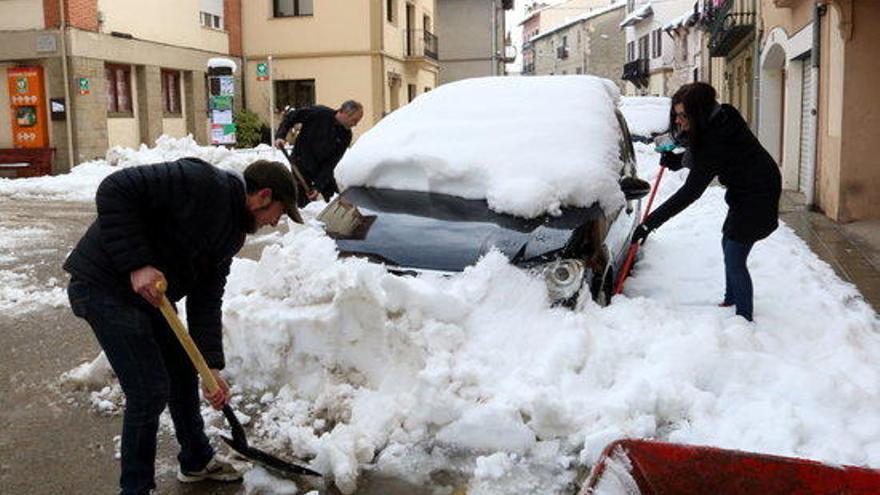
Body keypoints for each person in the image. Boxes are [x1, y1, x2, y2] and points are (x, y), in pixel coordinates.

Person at [63, 158, 302, 495]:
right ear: (263, 195)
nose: (275, 221)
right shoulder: (200, 181)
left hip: (148, 299)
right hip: (103, 286)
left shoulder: (231, 235)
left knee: (183, 371)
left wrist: (210, 366)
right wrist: (138, 264)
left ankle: (196, 459)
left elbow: (207, 299)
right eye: (278, 212)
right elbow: (115, 188)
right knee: (148, 390)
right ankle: (136, 488)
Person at [631, 82, 782, 322]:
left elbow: (690, 191)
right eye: (676, 115)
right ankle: (731, 299)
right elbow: (705, 149)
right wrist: (678, 161)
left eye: (683, 115)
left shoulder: (715, 137)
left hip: (758, 194)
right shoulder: (724, 114)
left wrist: (650, 223)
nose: (678, 121)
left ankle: (744, 318)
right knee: (728, 243)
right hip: (747, 188)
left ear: (698, 112)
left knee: (735, 255)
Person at [274, 100, 364, 202]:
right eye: (354, 120)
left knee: (332, 200)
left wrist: (318, 186)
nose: (355, 124)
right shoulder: (319, 113)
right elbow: (291, 117)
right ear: (344, 113)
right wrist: (281, 136)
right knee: (301, 201)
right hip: (301, 165)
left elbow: (331, 163)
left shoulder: (346, 135)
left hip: (322, 171)